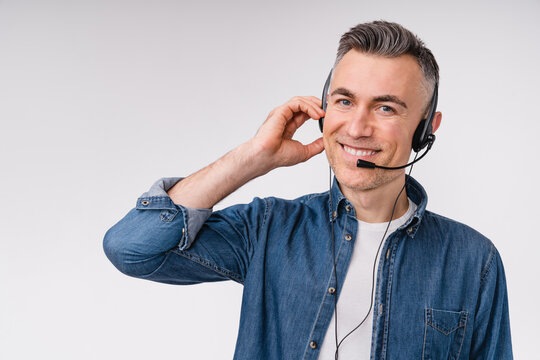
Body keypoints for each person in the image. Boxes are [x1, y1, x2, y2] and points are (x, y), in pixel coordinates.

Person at [103, 20, 513, 359]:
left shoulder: (474, 261)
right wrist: (253, 158)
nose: (356, 127)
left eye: (385, 107)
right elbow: (132, 249)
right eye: (344, 101)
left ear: (426, 128)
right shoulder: (267, 228)